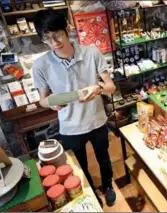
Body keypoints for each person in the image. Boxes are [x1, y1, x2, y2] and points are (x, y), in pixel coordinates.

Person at [32, 10, 117, 206]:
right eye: (47, 39)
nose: (54, 43)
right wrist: (52, 102)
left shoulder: (91, 53)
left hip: (97, 120)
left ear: (68, 29)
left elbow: (111, 87)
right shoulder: (40, 65)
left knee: (104, 158)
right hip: (70, 126)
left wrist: (98, 88)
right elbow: (42, 100)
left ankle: (108, 186)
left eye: (57, 35)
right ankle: (89, 194)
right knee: (78, 165)